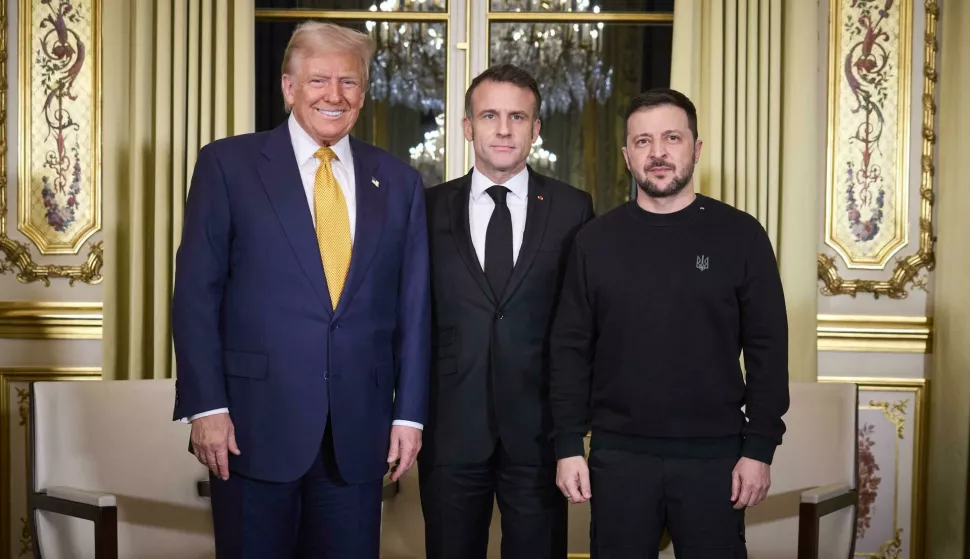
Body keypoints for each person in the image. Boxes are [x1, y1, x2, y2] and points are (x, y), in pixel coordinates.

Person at [171, 21, 429, 558]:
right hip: (250, 428)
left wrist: (408, 415)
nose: (334, 95)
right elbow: (196, 293)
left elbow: (413, 308)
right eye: (318, 80)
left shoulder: (399, 181)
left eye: (349, 82)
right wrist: (206, 407)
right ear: (289, 88)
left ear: (363, 92)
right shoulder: (228, 165)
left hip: (359, 435)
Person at [550, 88, 790, 557]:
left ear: (696, 148)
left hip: (716, 457)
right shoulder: (594, 241)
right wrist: (567, 445)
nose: (657, 153)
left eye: (671, 138)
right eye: (642, 142)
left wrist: (759, 447)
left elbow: (767, 349)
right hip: (618, 457)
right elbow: (569, 349)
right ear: (627, 155)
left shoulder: (741, 235)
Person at [420, 64, 594, 558]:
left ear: (536, 129)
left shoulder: (572, 207)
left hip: (540, 433)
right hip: (449, 426)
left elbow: (580, 325)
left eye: (517, 117)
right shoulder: (426, 207)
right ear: (467, 126)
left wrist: (573, 429)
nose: (503, 129)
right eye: (490, 115)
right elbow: (408, 318)